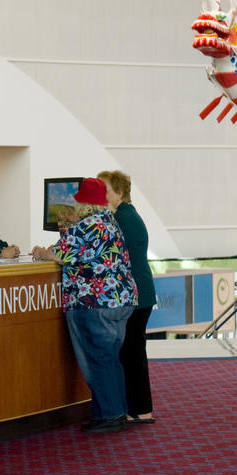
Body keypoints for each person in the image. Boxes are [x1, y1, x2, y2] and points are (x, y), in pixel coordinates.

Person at [31, 177, 137, 434]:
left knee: (98, 360)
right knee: (110, 359)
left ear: (83, 203)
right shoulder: (109, 222)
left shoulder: (87, 226)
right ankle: (114, 413)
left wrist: (40, 252)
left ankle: (110, 415)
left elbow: (60, 254)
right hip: (120, 299)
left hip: (93, 301)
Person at [97, 170, 157, 425]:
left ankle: (141, 409)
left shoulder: (122, 218)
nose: (102, 195)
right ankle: (138, 408)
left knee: (132, 354)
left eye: (106, 190)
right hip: (138, 292)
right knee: (132, 352)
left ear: (119, 192)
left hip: (135, 295)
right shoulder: (125, 215)